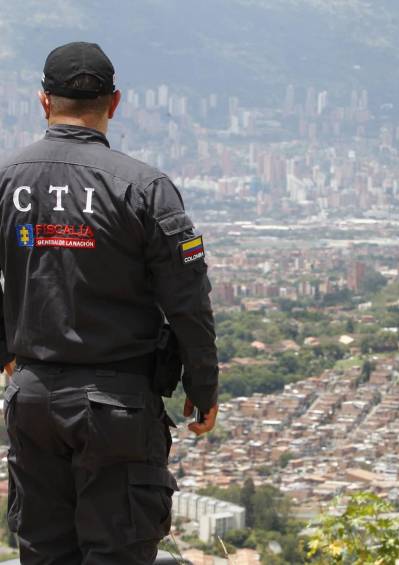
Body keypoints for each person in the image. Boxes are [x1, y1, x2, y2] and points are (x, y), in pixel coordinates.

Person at [0, 42, 219, 563]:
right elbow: (188, 299)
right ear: (115, 103)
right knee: (118, 552)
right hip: (116, 403)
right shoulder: (144, 188)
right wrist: (202, 384)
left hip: (31, 400)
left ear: (43, 102)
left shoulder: (7, 182)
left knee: (45, 552)